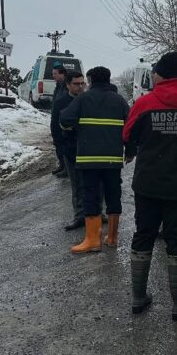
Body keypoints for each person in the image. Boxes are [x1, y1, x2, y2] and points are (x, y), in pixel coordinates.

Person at [123, 52, 177, 321]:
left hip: (147, 182)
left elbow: (127, 135)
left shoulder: (143, 103)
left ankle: (138, 297)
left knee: (143, 234)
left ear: (160, 75)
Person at [59, 66, 130, 254]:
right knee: (113, 195)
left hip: (88, 159)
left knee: (90, 196)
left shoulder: (83, 99)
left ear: (90, 80)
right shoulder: (119, 101)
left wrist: (75, 129)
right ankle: (112, 237)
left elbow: (65, 119)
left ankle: (92, 241)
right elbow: (131, 126)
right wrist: (130, 151)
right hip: (113, 160)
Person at [54, 71, 88, 231]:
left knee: (96, 184)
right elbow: (55, 127)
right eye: (76, 84)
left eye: (82, 83)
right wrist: (61, 149)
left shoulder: (89, 100)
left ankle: (97, 212)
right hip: (71, 149)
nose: (80, 87)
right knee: (77, 185)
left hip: (89, 149)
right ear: (68, 85)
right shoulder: (61, 103)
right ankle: (79, 216)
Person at [50, 64, 69, 178]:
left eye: (55, 74)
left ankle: (67, 168)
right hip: (55, 118)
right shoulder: (58, 86)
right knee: (57, 142)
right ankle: (62, 165)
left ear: (63, 74)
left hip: (62, 119)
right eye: (53, 74)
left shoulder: (66, 86)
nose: (53, 76)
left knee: (63, 144)